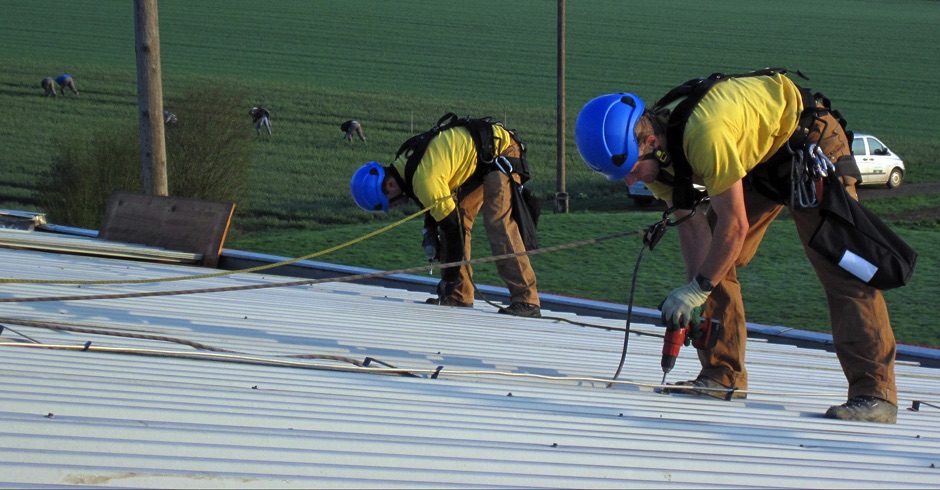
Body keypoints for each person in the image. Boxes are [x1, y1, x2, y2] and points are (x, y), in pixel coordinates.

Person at [575, 69, 899, 423]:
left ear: (650, 140)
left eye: (633, 171)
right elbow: (696, 231)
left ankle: (874, 393)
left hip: (808, 142)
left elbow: (735, 225)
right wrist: (696, 291)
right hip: (761, 160)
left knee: (840, 263)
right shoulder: (659, 162)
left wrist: (699, 288)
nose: (630, 182)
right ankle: (722, 375)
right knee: (715, 262)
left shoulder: (705, 135)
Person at [350, 117, 541, 317]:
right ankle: (460, 296)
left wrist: (448, 279)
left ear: (389, 185)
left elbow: (451, 229)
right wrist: (431, 229)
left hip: (500, 152)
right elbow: (438, 207)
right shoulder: (404, 165)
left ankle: (527, 300)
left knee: (497, 222)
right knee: (460, 220)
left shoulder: (423, 180)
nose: (395, 206)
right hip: (477, 159)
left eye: (390, 202)